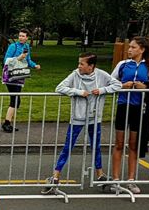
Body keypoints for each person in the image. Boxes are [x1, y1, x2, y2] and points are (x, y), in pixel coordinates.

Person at [41, 53, 121, 194]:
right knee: (68, 147)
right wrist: (78, 92)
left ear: (91, 66)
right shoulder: (75, 74)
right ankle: (55, 176)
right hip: (77, 118)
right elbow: (59, 88)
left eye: (82, 64)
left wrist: (102, 90)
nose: (79, 66)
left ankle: (100, 175)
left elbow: (117, 85)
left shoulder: (101, 75)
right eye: (78, 63)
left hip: (94, 118)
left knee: (96, 146)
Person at [110, 36, 149, 194]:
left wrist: (144, 87)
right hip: (123, 106)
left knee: (133, 144)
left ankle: (131, 180)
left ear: (142, 50)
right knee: (119, 143)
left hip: (139, 108)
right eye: (129, 47)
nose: (129, 50)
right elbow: (110, 82)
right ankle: (115, 179)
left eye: (133, 47)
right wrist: (122, 85)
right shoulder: (122, 64)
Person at [1, 29, 41, 133]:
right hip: (11, 76)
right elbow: (6, 60)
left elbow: (28, 60)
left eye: (23, 36)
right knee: (15, 99)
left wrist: (35, 65)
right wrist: (19, 57)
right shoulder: (13, 46)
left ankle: (8, 123)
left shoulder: (26, 47)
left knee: (17, 100)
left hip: (20, 75)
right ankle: (6, 124)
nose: (21, 38)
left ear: (27, 38)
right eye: (20, 36)